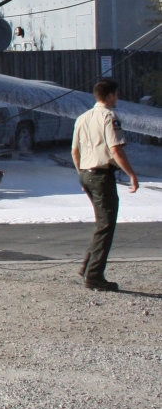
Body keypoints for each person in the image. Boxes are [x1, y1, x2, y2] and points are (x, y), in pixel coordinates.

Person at [71, 79, 139, 291]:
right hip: (101, 175)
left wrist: (82, 174)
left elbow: (75, 151)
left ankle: (88, 265)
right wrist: (132, 175)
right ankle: (94, 276)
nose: (117, 98)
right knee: (106, 225)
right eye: (116, 94)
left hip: (86, 173)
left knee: (101, 223)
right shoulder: (109, 117)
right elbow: (116, 149)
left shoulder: (83, 118)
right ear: (110, 95)